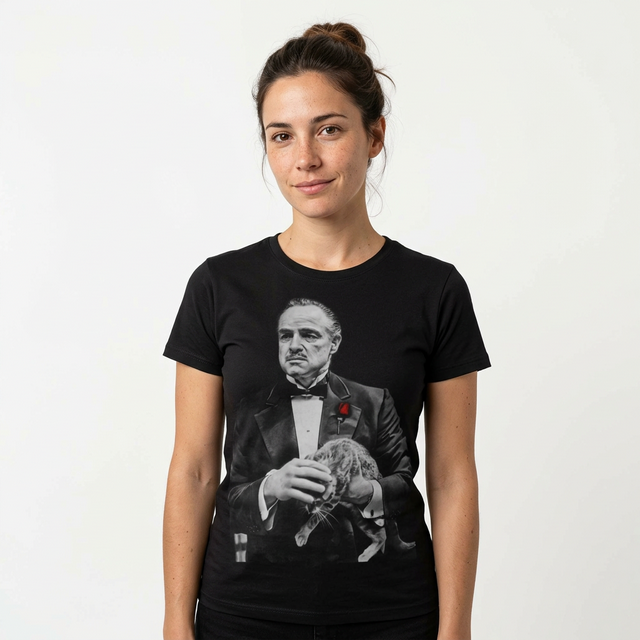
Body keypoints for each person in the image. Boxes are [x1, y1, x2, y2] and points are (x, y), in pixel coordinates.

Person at [162, 21, 490, 640]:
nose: (304, 158)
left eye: (330, 129)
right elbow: (195, 470)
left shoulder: (435, 290)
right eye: (281, 135)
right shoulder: (218, 285)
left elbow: (451, 478)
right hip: (242, 617)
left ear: (375, 136)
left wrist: (456, 629)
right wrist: (176, 622)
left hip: (393, 616)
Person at [227, 297, 415, 564]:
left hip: (354, 568)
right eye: (285, 336)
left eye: (309, 335)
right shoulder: (249, 409)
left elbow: (404, 482)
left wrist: (367, 491)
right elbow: (232, 499)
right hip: (270, 568)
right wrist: (269, 487)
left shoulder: (374, 401)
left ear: (334, 343)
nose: (294, 345)